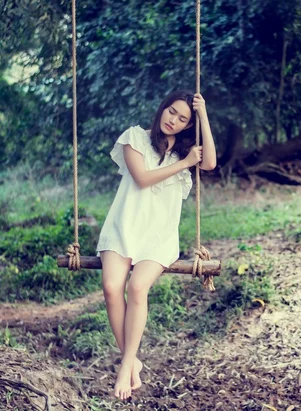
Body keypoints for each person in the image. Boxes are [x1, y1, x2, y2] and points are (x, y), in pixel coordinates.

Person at [95, 90, 217, 400]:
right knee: (111, 288)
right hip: (124, 226)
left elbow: (211, 163)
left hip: (159, 236)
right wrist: (185, 163)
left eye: (182, 119)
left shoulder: (186, 150)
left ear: (188, 125)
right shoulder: (134, 137)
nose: (173, 120)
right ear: (162, 108)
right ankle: (131, 358)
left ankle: (125, 367)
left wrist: (203, 116)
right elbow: (142, 179)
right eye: (171, 112)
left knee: (137, 288)